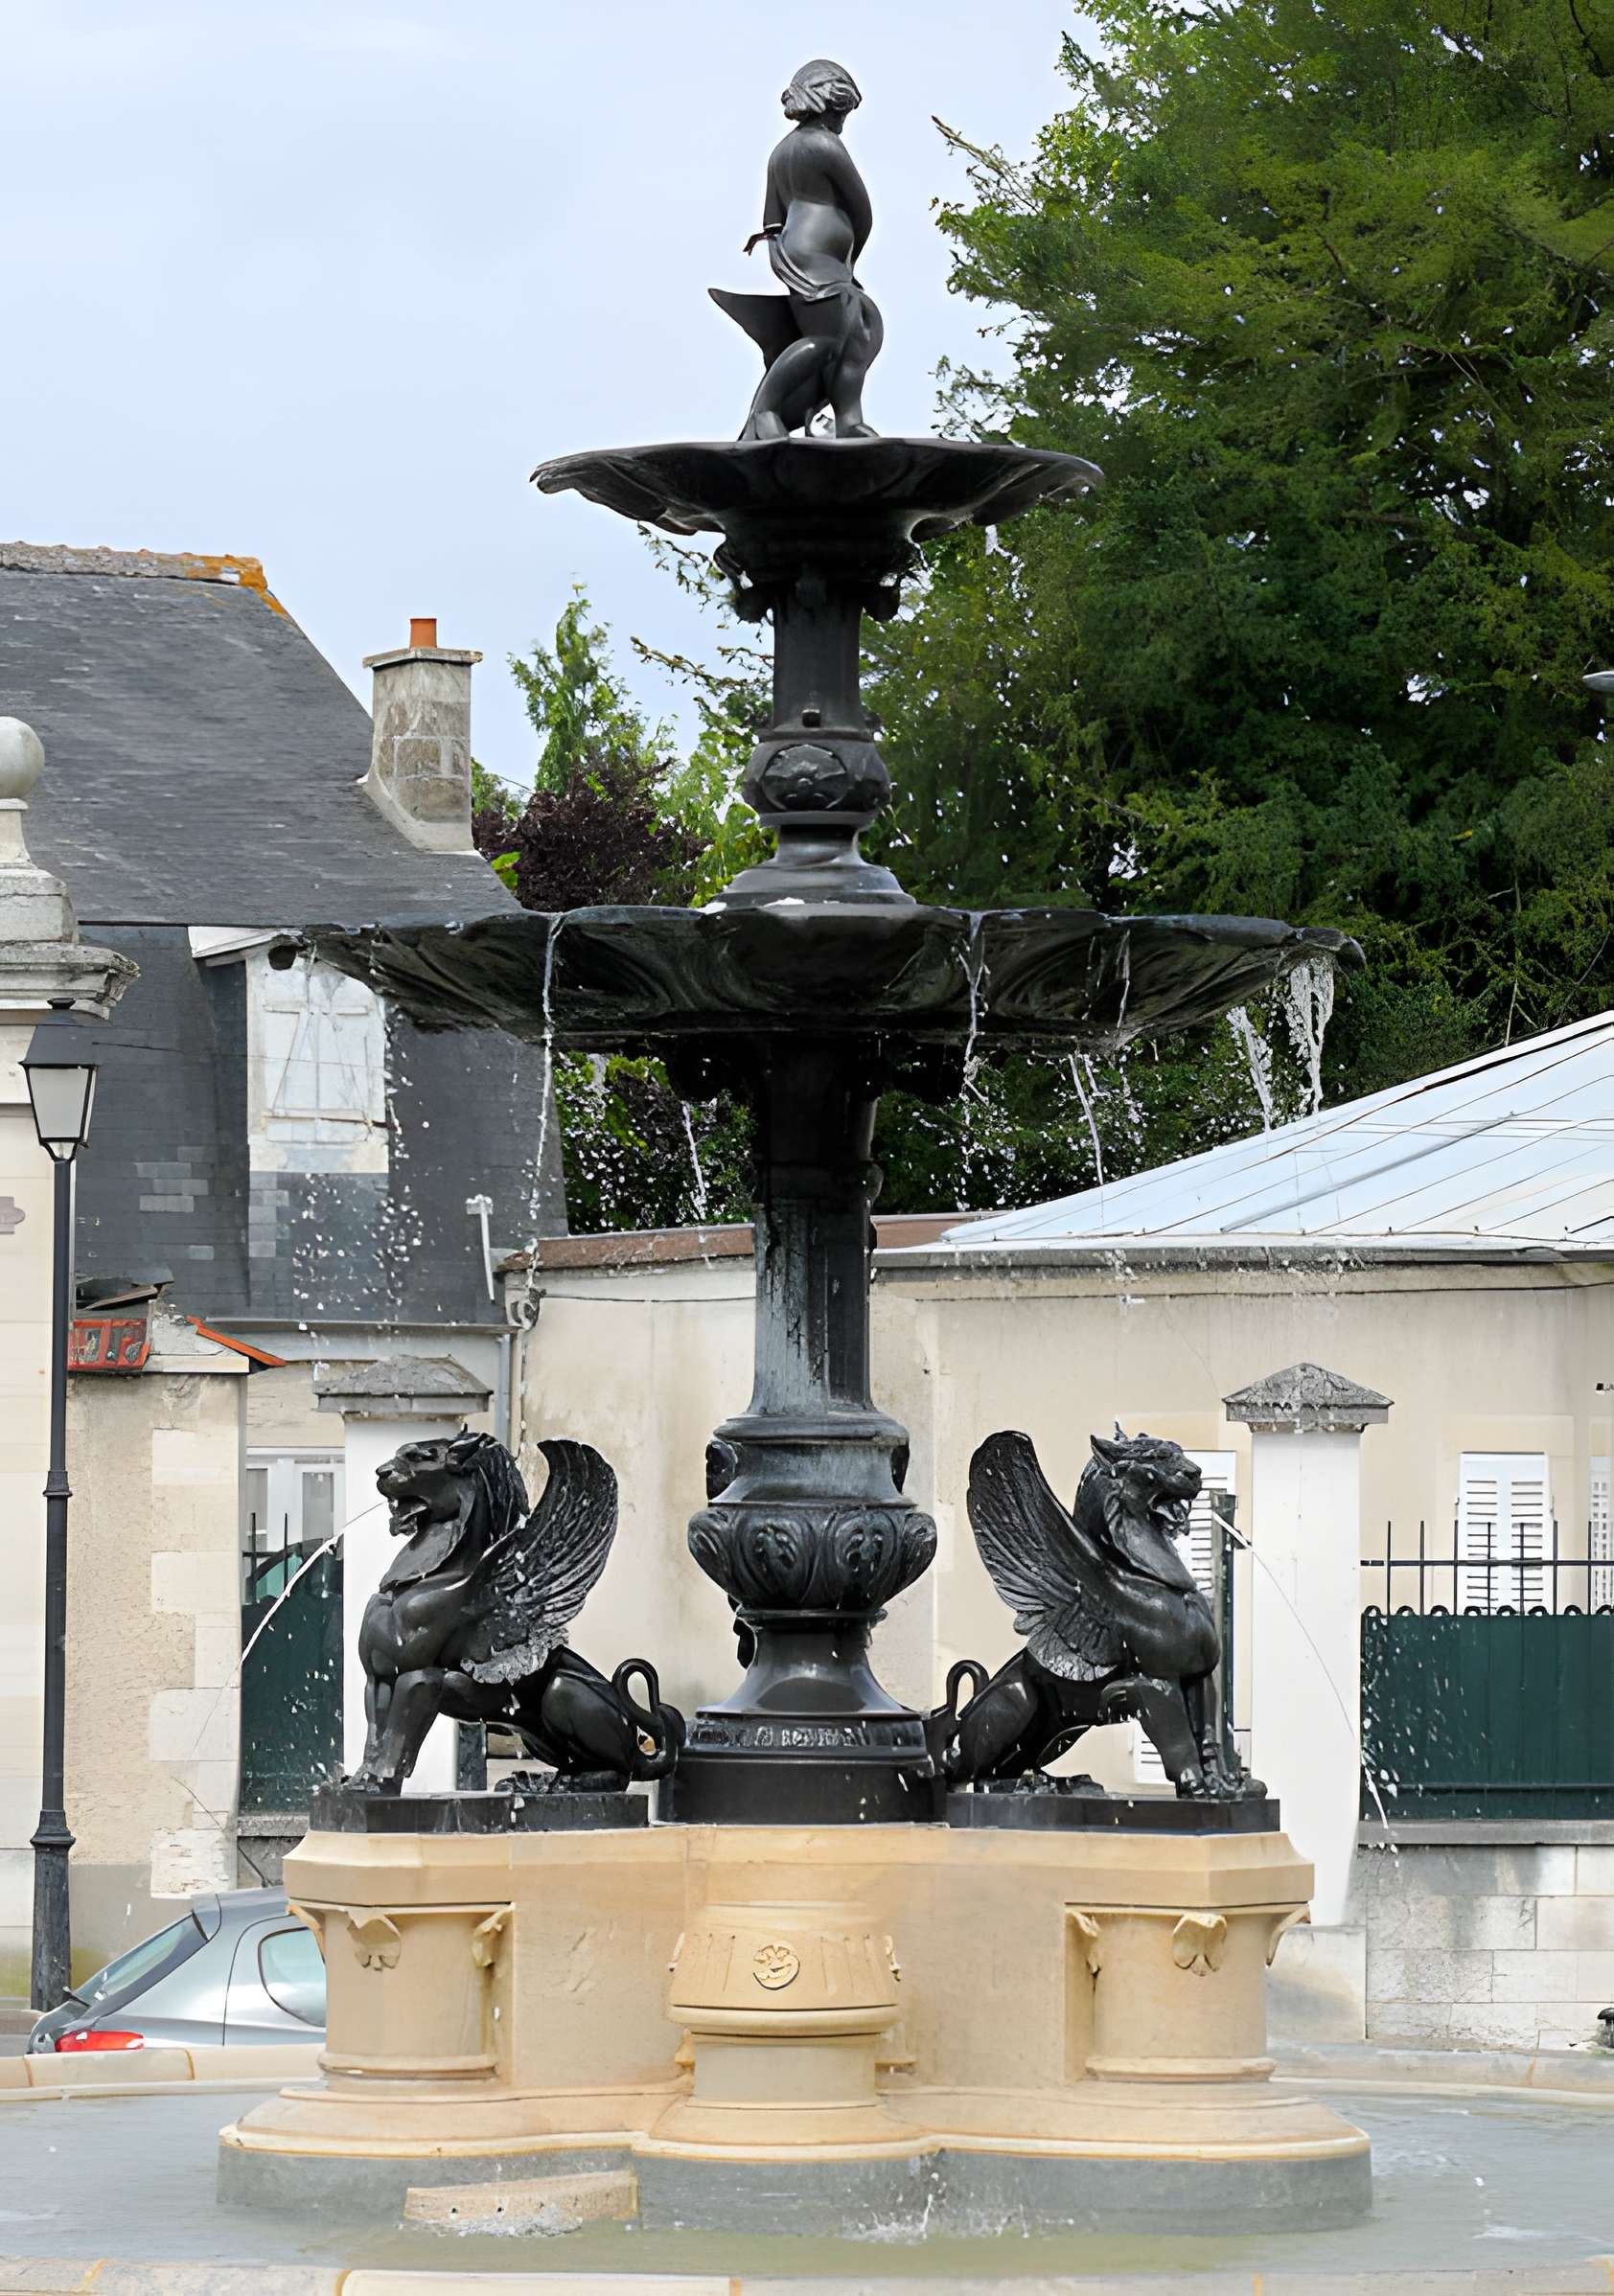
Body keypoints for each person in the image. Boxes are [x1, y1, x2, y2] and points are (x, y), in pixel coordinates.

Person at [710, 57, 885, 439]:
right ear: (830, 104)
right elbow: (861, 206)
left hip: (798, 251)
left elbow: (772, 218)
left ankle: (848, 420)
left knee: (858, 332)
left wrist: (783, 252)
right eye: (843, 112)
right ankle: (765, 411)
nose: (843, 123)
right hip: (820, 259)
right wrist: (850, 256)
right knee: (825, 338)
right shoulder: (824, 144)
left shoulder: (779, 153)